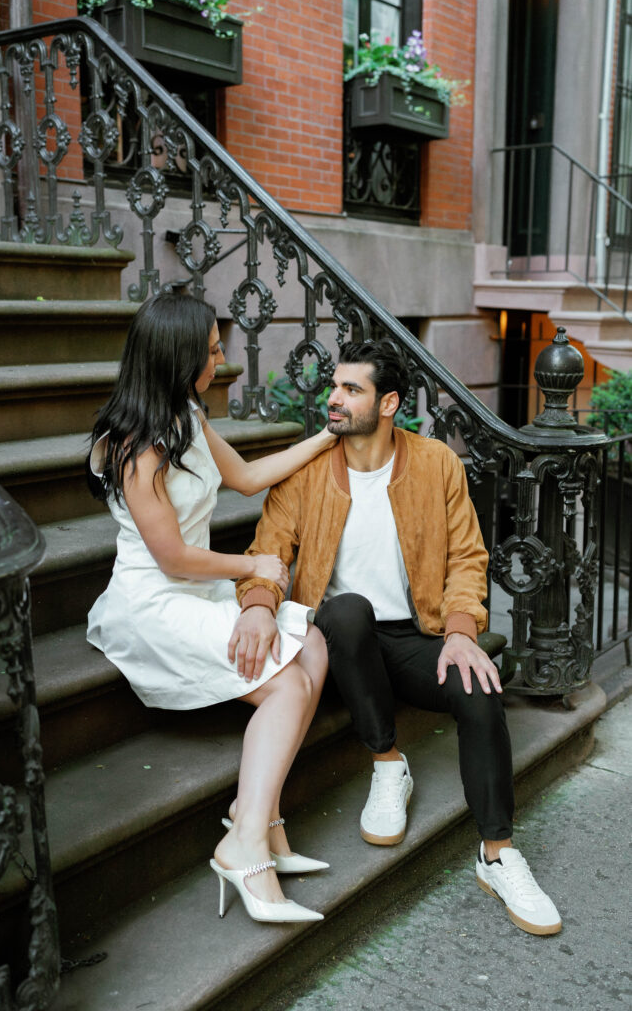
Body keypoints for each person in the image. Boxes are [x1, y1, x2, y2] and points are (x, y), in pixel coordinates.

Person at [231, 338, 562, 937]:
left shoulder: (436, 464)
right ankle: (388, 764)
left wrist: (461, 633)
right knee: (350, 610)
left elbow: (467, 557)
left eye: (350, 389)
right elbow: (267, 552)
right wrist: (257, 605)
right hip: (335, 643)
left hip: (414, 635)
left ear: (388, 404)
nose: (333, 398)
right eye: (334, 386)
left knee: (478, 688)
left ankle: (498, 852)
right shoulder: (305, 474)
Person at [86, 293, 334, 924]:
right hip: (155, 599)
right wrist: (254, 565)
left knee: (315, 646)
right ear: (177, 358)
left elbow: (249, 478)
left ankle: (263, 823)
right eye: (212, 351)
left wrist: (327, 438)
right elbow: (170, 556)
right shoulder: (132, 444)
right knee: (286, 685)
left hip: (200, 585)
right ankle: (245, 845)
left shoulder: (186, 417)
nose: (223, 361)